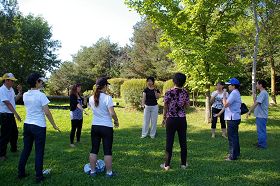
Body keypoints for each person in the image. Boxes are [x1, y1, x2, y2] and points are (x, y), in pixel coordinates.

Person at [18, 73, 60, 183]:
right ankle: (39, 176)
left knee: (26, 149)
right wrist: (54, 125)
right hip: (39, 126)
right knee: (39, 151)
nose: (42, 83)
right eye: (41, 81)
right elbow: (47, 112)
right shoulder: (41, 95)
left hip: (27, 125)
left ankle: (21, 172)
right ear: (37, 82)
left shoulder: (25, 95)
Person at [88, 77, 119, 177]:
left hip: (95, 126)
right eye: (107, 85)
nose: (107, 87)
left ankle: (92, 171)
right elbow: (112, 113)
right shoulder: (107, 98)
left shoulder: (91, 98)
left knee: (94, 149)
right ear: (105, 86)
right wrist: (116, 121)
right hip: (106, 127)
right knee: (107, 150)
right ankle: (109, 173)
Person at [161, 73, 190, 171]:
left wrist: (164, 118)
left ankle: (167, 165)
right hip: (182, 119)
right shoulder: (185, 93)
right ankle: (183, 164)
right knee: (183, 142)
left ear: (174, 81)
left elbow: (165, 105)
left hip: (171, 119)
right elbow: (187, 106)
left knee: (169, 141)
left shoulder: (168, 92)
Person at [0, 73, 22, 161]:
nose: (13, 82)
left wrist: (20, 92)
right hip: (5, 115)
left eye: (13, 81)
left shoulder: (11, 89)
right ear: (6, 80)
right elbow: (7, 103)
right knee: (5, 135)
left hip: (10, 114)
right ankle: (1, 155)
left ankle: (14, 149)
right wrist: (16, 114)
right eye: (11, 81)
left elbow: (13, 100)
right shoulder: (1, 90)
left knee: (14, 133)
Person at [223, 78, 241, 161]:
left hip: (232, 118)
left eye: (229, 85)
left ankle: (232, 156)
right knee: (235, 136)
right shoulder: (236, 92)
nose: (228, 86)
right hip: (235, 117)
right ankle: (236, 153)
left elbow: (226, 104)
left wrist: (223, 95)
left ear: (233, 86)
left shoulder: (233, 93)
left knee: (231, 137)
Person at [246, 80, 269, 149]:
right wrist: (254, 96)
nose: (256, 85)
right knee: (260, 130)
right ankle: (260, 143)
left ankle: (262, 145)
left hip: (261, 115)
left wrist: (249, 111)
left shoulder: (263, 93)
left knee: (261, 131)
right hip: (260, 115)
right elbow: (256, 101)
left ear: (261, 85)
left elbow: (256, 103)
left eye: (257, 84)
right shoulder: (262, 93)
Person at [69, 83, 87, 147]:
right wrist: (84, 110)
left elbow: (84, 105)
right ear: (75, 88)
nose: (80, 88)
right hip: (74, 114)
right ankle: (71, 143)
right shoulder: (72, 95)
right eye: (78, 87)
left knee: (79, 128)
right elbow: (77, 104)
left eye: (80, 87)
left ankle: (78, 140)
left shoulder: (79, 95)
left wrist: (85, 99)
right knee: (73, 128)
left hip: (80, 114)